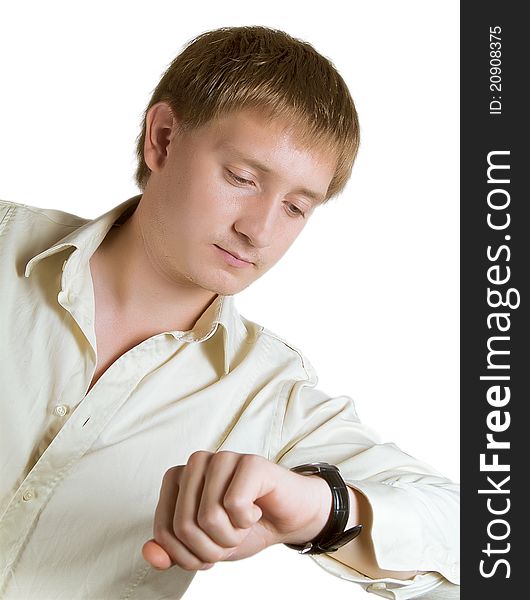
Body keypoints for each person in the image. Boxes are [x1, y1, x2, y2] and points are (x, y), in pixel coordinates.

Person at [0, 26, 459, 599]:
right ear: (163, 140)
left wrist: (319, 510)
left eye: (295, 208)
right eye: (242, 178)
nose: (258, 231)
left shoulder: (269, 395)